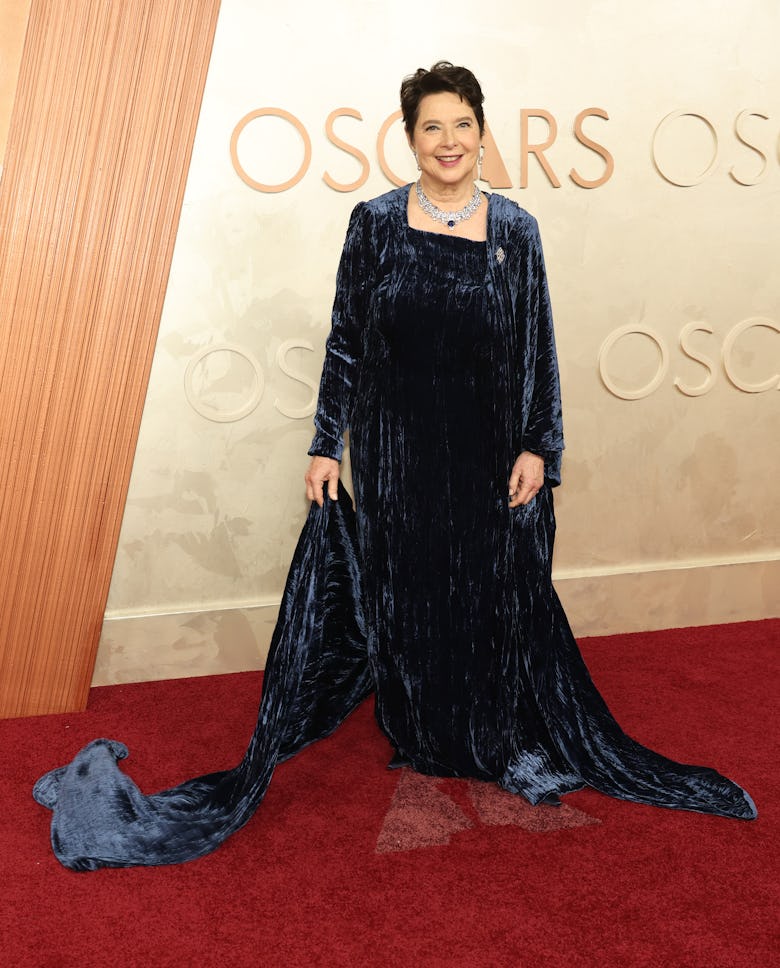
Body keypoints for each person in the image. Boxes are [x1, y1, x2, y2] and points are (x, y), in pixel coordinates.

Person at [33, 62, 755, 872]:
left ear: (484, 132)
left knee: (482, 594)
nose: (448, 141)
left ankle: (482, 731)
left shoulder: (516, 230)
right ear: (410, 138)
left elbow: (536, 348)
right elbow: (346, 339)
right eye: (430, 127)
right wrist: (323, 443)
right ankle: (420, 730)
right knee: (407, 593)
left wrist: (538, 447)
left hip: (486, 452)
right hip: (398, 449)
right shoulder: (374, 222)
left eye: (461, 124)